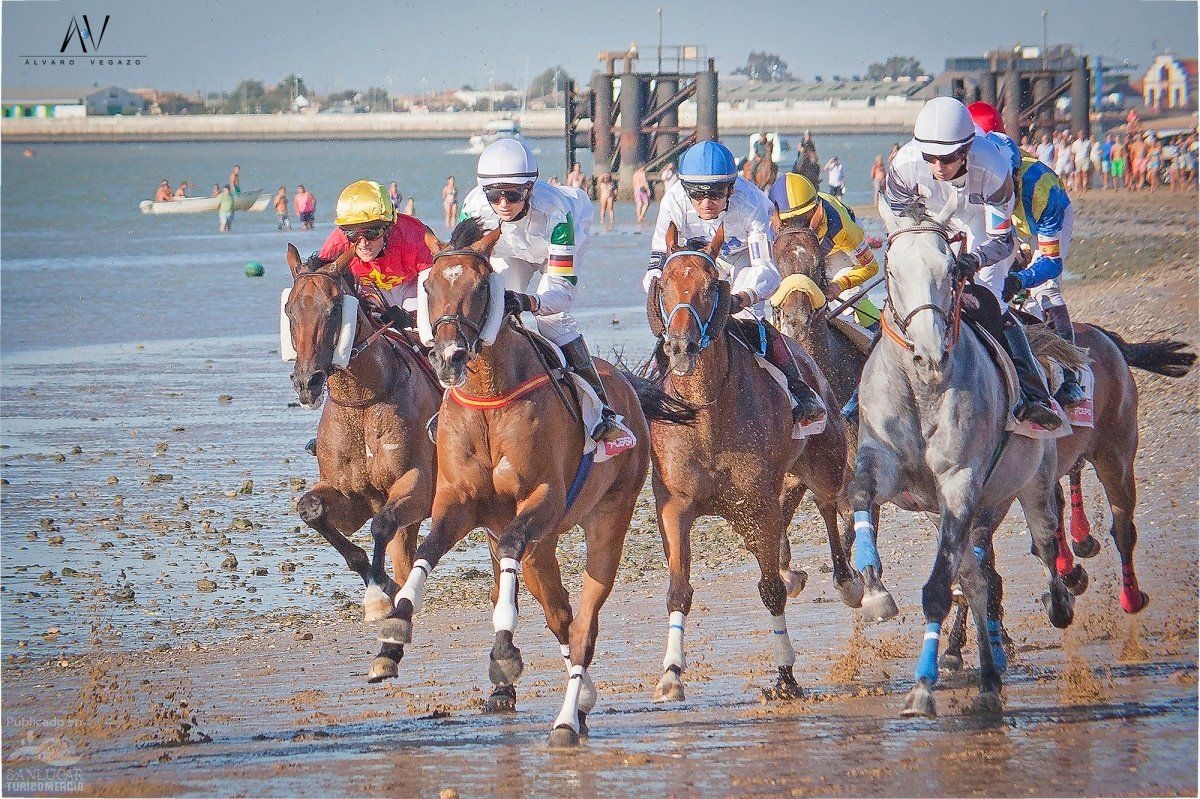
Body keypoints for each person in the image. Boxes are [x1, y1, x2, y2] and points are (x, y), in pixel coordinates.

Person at [883, 96, 1061, 429]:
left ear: (966, 150)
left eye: (947, 158)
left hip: (983, 226)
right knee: (905, 299)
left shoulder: (993, 169)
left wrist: (974, 259)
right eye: (930, 157)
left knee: (989, 302)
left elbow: (1002, 241)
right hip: (930, 221)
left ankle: (1031, 393)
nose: (938, 167)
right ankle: (864, 395)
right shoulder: (905, 165)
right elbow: (900, 228)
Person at [457, 139, 632, 449]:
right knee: (495, 310)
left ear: (530, 188)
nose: (503, 204)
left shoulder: (557, 211)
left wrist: (530, 301)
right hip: (511, 251)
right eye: (494, 195)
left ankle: (602, 412)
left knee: (554, 320)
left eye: (513, 195)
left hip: (559, 245)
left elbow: (561, 292)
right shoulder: (472, 208)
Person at [643, 140, 826, 425]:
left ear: (731, 188)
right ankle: (654, 379)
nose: (706, 203)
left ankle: (799, 389)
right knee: (676, 315)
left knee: (747, 317)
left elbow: (765, 269)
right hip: (697, 262)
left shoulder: (750, 202)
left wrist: (742, 297)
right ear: (685, 189)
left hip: (743, 260)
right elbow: (657, 266)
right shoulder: (673, 201)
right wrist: (660, 295)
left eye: (715, 194)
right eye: (697, 194)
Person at [970, 105, 1086, 409]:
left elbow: (1051, 262)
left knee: (1045, 290)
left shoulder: (1042, 189)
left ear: (1014, 177)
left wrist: (1020, 278)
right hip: (1014, 225)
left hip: (1043, 221)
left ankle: (1072, 378)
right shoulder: (979, 172)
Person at [317, 179, 432, 316]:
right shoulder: (337, 243)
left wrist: (411, 317)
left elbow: (438, 286)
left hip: (409, 284)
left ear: (388, 228)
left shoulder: (414, 236)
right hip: (366, 288)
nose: (363, 243)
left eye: (371, 233)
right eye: (353, 234)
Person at [768, 173, 879, 306]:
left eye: (803, 219)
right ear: (775, 218)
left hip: (838, 250)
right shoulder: (767, 227)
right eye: (788, 222)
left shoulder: (841, 228)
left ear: (817, 210)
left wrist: (839, 285)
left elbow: (870, 267)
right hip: (809, 252)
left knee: (849, 300)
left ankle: (871, 324)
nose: (797, 228)